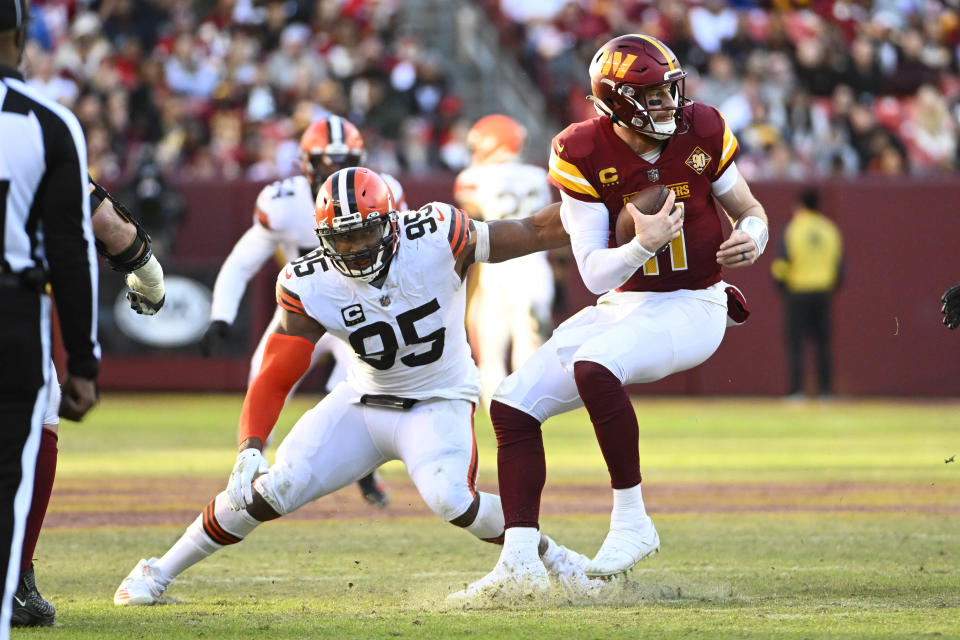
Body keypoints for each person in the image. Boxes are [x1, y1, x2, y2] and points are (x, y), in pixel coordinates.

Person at [113, 168, 593, 606]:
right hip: (362, 401)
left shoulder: (437, 236)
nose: (355, 248)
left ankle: (556, 557)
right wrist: (250, 444)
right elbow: (278, 368)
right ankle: (156, 573)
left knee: (453, 499)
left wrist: (601, 211)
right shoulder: (311, 281)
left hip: (439, 400)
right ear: (322, 238)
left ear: (391, 222)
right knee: (267, 488)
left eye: (365, 231)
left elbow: (532, 230)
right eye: (341, 239)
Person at [456, 34, 769, 598]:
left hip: (697, 302)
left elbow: (748, 208)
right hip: (624, 301)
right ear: (618, 102)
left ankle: (632, 519)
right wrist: (643, 244)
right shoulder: (581, 149)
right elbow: (596, 274)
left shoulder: (702, 129)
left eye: (672, 91)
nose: (670, 106)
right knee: (511, 403)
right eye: (654, 96)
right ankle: (520, 563)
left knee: (596, 365)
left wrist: (753, 236)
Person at [200, 115, 405, 508]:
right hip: (305, 310)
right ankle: (247, 466)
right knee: (263, 377)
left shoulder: (382, 192)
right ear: (307, 165)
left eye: (347, 161)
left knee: (364, 391)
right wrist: (220, 314)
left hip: (361, 310)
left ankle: (364, 469)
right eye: (329, 163)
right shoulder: (285, 203)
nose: (339, 172)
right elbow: (243, 261)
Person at [10, 179, 166, 627]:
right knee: (40, 412)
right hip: (11, 304)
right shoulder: (41, 130)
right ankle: (15, 578)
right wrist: (149, 274)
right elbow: (110, 227)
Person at [0, 2, 98, 636]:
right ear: (17, 35)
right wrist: (85, 358)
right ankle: (15, 583)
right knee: (18, 457)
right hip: (11, 308)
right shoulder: (47, 122)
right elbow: (72, 245)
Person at [453, 114, 555, 411]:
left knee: (490, 345)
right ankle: (527, 407)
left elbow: (468, 226)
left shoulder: (472, 178)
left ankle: (493, 409)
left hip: (495, 264)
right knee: (529, 342)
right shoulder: (537, 176)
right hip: (535, 266)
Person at [770, 188, 843, 398]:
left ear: (800, 206)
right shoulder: (830, 230)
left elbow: (781, 264)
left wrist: (782, 287)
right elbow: (839, 267)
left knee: (796, 344)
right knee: (823, 344)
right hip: (823, 292)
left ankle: (797, 391)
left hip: (797, 292)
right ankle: (826, 392)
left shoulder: (792, 229)